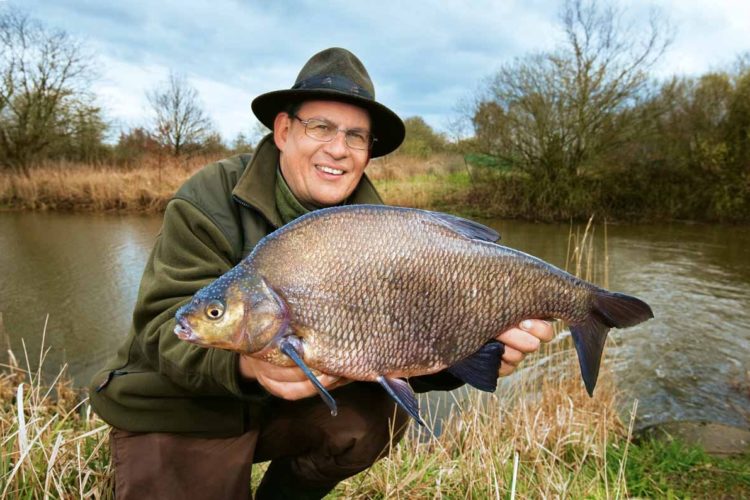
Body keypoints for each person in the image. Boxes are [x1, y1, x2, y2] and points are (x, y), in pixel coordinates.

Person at [89, 47, 554, 499]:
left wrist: (473, 352)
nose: (338, 149)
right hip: (185, 407)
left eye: (355, 136)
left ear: (368, 151)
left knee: (376, 416)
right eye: (321, 127)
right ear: (284, 130)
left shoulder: (381, 228)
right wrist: (245, 364)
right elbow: (162, 326)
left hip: (295, 407)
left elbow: (399, 344)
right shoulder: (209, 196)